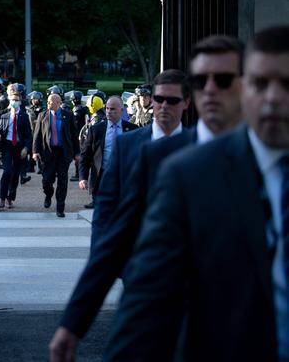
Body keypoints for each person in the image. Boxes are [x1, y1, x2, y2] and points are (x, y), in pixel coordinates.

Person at [49, 35, 244, 362]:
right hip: (151, 299)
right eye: (201, 81)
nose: (210, 89)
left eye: (222, 79)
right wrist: (74, 323)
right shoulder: (156, 155)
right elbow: (113, 234)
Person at [104, 26, 289, 361]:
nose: (273, 97)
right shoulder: (188, 171)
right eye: (262, 84)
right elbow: (146, 290)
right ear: (248, 90)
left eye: (286, 84)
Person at [78, 96, 139, 208]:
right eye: (107, 108)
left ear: (121, 110)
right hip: (101, 176)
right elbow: (86, 155)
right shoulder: (96, 130)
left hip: (124, 177)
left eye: (113, 109)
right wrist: (83, 177)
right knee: (101, 212)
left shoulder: (133, 130)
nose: (109, 112)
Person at [32, 93, 79, 217]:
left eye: (50, 102)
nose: (48, 104)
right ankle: (48, 194)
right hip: (48, 152)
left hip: (63, 153)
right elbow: (36, 136)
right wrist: (35, 152)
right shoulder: (43, 115)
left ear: (58, 103)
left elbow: (74, 136)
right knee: (47, 180)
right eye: (47, 101)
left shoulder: (68, 116)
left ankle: (60, 207)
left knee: (63, 181)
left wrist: (77, 153)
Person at [0, 92, 32, 209]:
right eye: (12, 100)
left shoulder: (24, 116)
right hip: (7, 146)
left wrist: (26, 148)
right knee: (6, 172)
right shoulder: (3, 116)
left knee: (15, 174)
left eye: (16, 100)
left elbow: (28, 135)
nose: (14, 102)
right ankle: (2, 198)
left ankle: (10, 198)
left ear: (20, 102)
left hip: (19, 147)